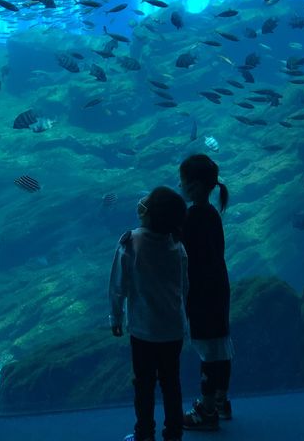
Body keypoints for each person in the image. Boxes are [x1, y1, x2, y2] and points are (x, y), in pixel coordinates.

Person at [109, 186, 189, 441]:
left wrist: (116, 317)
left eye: (148, 201)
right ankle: (174, 433)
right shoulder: (178, 245)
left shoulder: (130, 242)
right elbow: (185, 286)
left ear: (151, 213)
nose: (142, 202)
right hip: (173, 329)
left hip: (143, 330)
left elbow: (117, 286)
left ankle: (144, 434)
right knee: (171, 383)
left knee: (143, 385)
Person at [179, 154, 233, 431]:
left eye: (183, 181)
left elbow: (181, 252)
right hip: (219, 287)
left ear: (196, 186)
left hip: (201, 292)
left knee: (207, 351)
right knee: (221, 345)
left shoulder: (191, 217)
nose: (180, 186)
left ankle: (206, 409)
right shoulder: (211, 213)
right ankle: (222, 401)